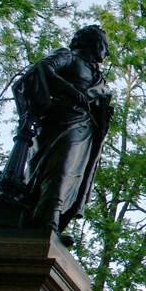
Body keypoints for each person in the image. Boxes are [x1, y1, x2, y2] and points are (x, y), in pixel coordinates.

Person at [15, 25, 113, 241]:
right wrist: (69, 90)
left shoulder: (99, 76)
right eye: (105, 47)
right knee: (58, 168)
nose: (106, 54)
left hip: (85, 130)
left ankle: (54, 219)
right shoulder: (68, 56)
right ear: (95, 42)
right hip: (62, 122)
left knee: (72, 175)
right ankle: (46, 219)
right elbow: (42, 69)